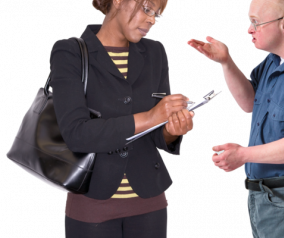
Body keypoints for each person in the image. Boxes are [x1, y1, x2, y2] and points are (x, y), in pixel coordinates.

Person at [186, 0, 284, 237]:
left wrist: (242, 154)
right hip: (269, 199)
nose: (249, 29)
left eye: (255, 22)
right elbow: (249, 102)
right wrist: (226, 62)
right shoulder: (275, 60)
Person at [50, 0, 195, 237]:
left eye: (157, 15)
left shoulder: (155, 51)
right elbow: (76, 134)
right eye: (147, 9)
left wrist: (172, 129)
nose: (151, 20)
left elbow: (158, 134)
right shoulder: (69, 52)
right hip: (92, 202)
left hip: (150, 201)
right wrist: (150, 116)